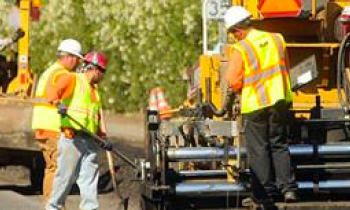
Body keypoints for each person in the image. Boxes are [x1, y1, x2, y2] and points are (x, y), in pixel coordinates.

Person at [223, 6, 297, 208]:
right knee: (279, 144)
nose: (233, 38)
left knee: (259, 149)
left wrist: (238, 90)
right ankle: (288, 189)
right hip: (280, 100)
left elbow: (232, 79)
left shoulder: (242, 48)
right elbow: (286, 66)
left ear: (238, 30)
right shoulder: (277, 38)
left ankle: (263, 194)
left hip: (255, 104)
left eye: (232, 34)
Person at [45, 52, 108, 210]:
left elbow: (95, 118)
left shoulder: (95, 91)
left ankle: (90, 208)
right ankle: (53, 207)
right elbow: (52, 92)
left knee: (89, 178)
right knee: (65, 177)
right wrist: (57, 103)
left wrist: (102, 138)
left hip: (90, 140)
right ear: (94, 69)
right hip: (72, 138)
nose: (103, 76)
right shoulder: (72, 79)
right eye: (102, 72)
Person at [31, 38, 83, 205]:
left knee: (52, 168)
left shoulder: (49, 71)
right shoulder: (62, 74)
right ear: (69, 57)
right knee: (57, 168)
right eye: (76, 59)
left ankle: (52, 204)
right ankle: (53, 205)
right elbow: (55, 96)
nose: (77, 64)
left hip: (42, 126)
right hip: (52, 126)